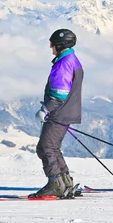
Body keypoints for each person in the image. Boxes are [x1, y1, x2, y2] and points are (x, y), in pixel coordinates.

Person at [29, 29, 84, 198]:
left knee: (45, 147)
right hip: (66, 111)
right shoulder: (71, 60)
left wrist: (45, 109)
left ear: (59, 45)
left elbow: (59, 94)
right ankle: (65, 182)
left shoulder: (63, 63)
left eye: (52, 44)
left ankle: (55, 184)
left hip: (59, 112)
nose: (50, 47)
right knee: (52, 147)